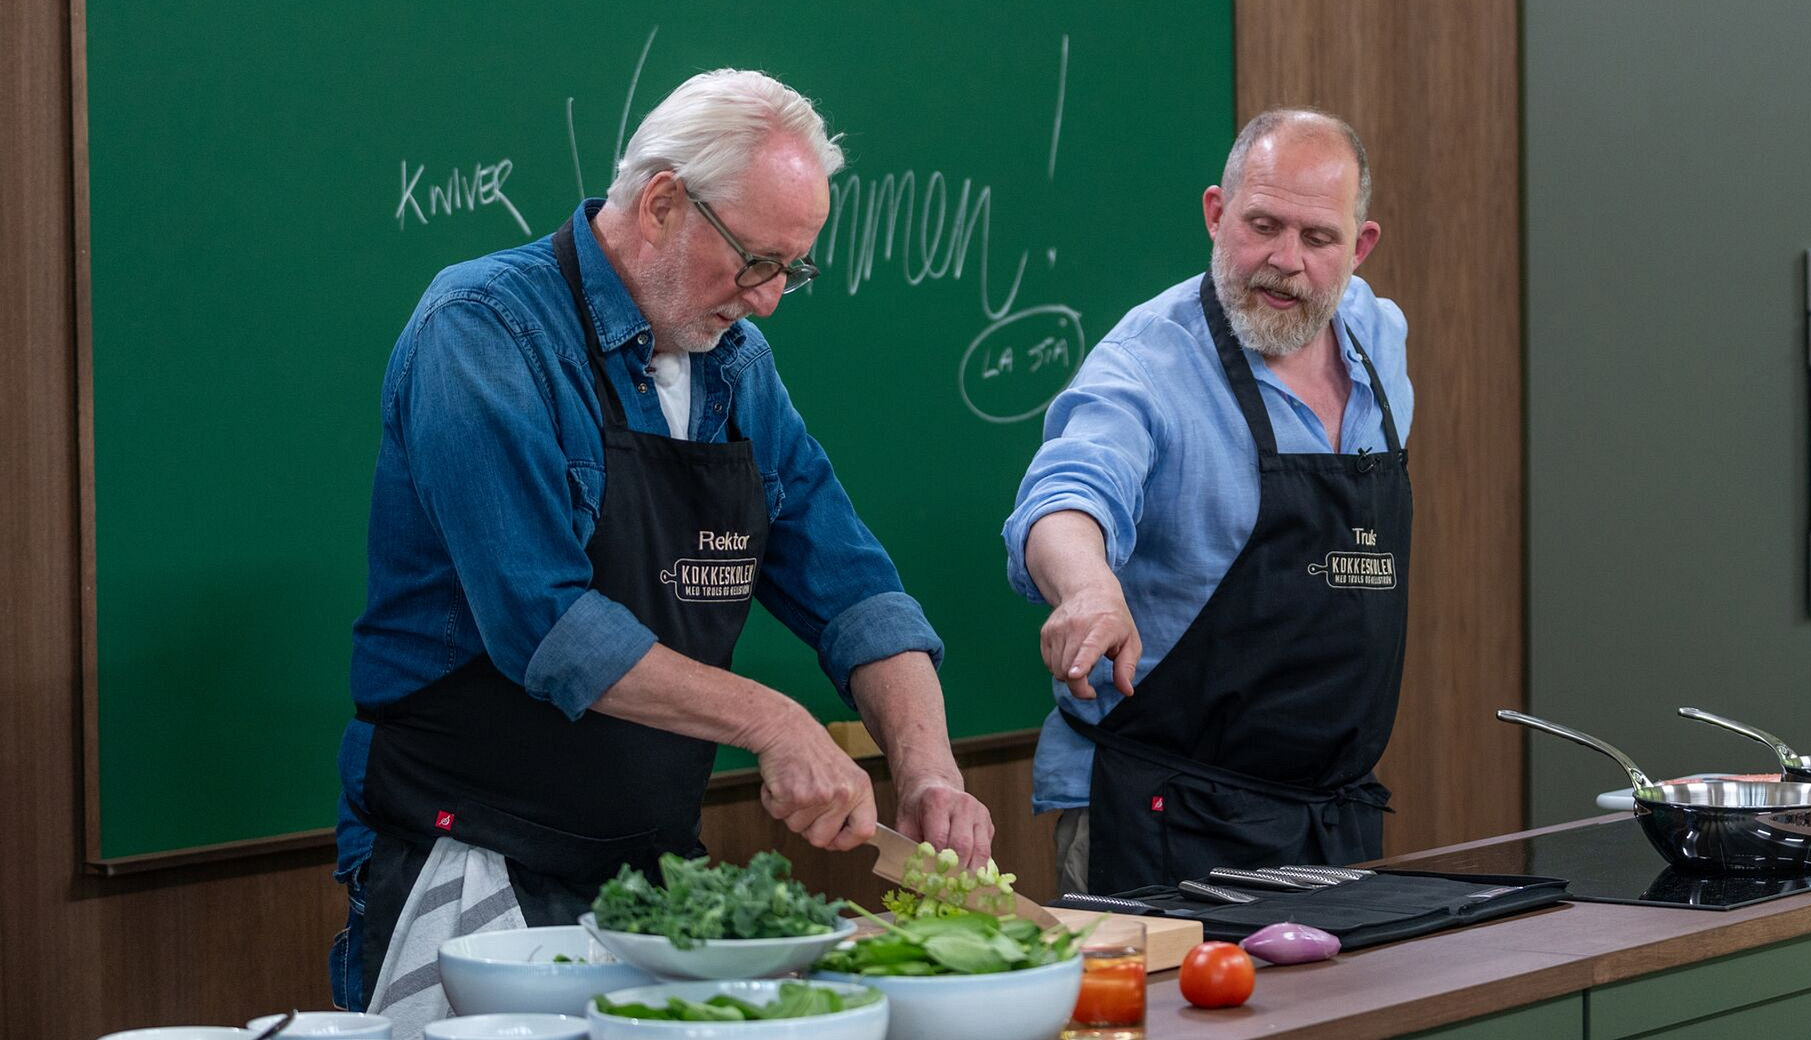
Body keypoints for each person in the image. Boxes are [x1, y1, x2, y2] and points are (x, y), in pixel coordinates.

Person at [332, 68, 993, 1013]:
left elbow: (854, 591)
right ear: (662, 204)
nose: (767, 300)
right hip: (475, 855)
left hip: (648, 867)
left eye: (792, 270)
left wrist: (927, 771)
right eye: (757, 262)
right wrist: (773, 721)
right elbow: (547, 628)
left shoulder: (736, 365)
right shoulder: (483, 332)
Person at [1003, 108, 1411, 896]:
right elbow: (1065, 494)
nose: (1285, 262)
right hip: (1163, 816)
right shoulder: (1146, 363)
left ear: (1359, 249)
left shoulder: (1378, 339)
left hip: (1330, 819)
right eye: (1263, 225)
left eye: (1318, 239)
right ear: (1216, 214)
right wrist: (1087, 588)